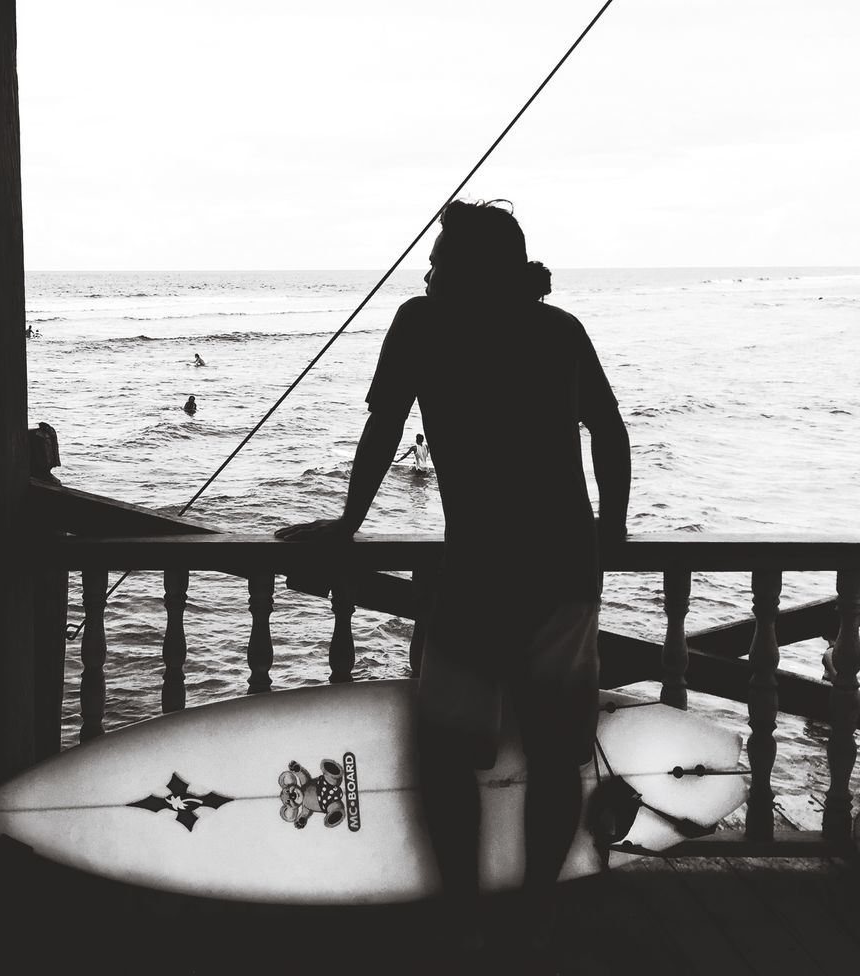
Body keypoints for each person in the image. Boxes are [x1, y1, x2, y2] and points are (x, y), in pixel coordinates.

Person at [275, 200, 630, 961]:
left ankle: (465, 920)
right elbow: (609, 428)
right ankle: (535, 915)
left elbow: (383, 428)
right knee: (555, 751)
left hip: (477, 574)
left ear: (471, 268)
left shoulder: (422, 324)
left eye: (440, 258)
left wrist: (347, 524)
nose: (427, 269)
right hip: (565, 569)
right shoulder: (558, 330)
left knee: (444, 753)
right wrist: (614, 528)